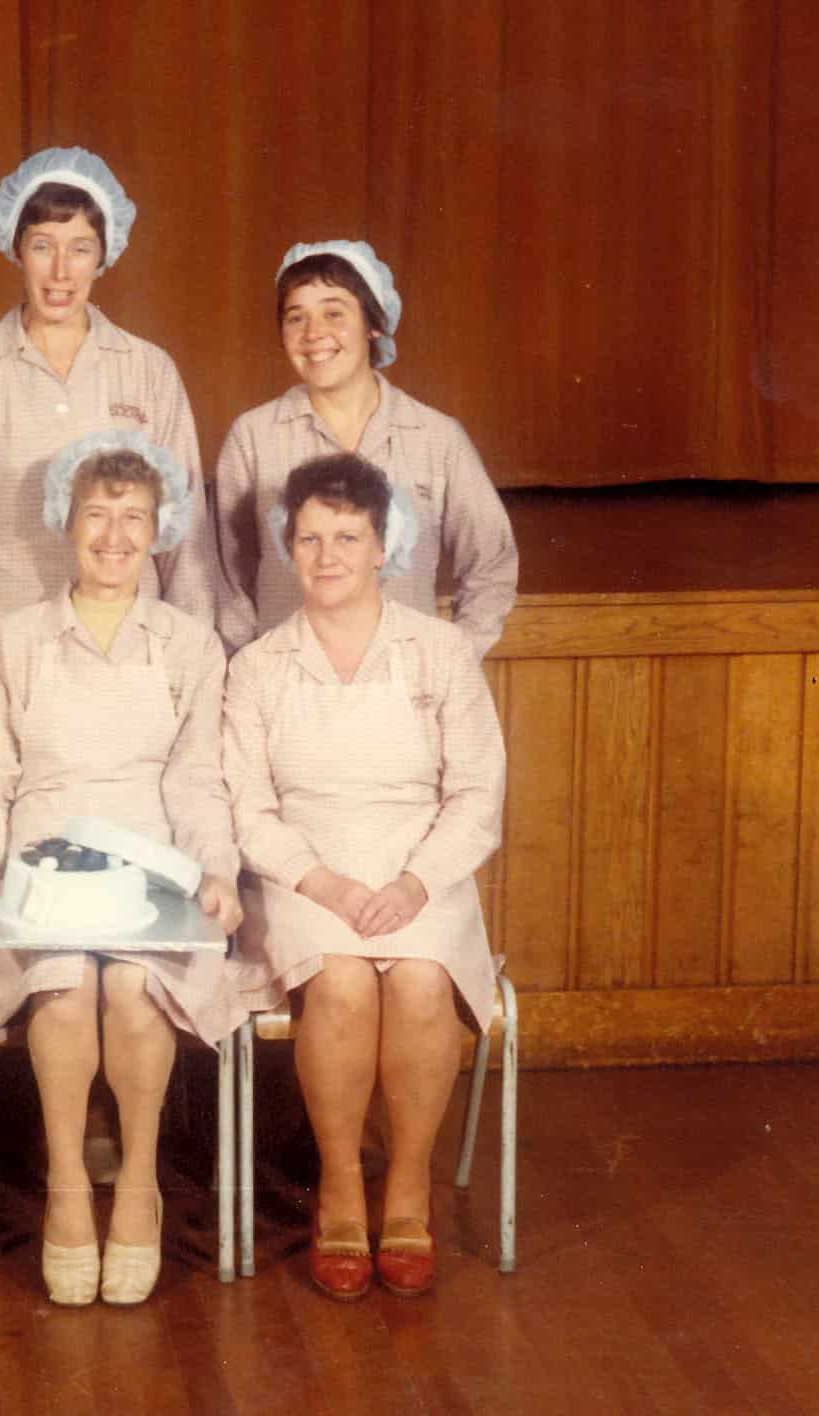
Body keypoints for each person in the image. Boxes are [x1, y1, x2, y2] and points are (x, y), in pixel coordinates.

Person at [0, 430, 244, 1306]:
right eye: (95, 516)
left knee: (131, 991)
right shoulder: (18, 639)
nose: (114, 536)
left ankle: (141, 1186)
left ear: (160, 531)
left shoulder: (190, 645)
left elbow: (197, 779)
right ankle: (71, 1191)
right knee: (69, 981)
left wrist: (216, 872)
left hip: (154, 869)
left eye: (135, 518)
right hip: (40, 867)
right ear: (64, 525)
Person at [223, 453, 505, 1301]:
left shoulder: (441, 651)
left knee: (420, 983)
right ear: (288, 547)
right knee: (342, 984)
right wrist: (328, 886)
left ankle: (408, 1185)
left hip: (423, 868)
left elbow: (478, 795)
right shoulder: (257, 667)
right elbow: (249, 811)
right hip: (307, 876)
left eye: (348, 536)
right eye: (309, 537)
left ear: (385, 545)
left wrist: (416, 883)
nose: (328, 554)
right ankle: (342, 1187)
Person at [0, 147, 220, 670]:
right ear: (16, 250)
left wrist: (190, 651)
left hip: (136, 645)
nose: (60, 271)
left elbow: (186, 532)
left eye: (80, 248)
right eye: (43, 246)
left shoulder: (149, 369)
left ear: (104, 255)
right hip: (11, 642)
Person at [213, 240, 516, 658]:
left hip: (405, 697)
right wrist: (255, 669)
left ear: (374, 323)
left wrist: (450, 662)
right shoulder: (253, 438)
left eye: (334, 313)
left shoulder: (437, 438)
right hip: (288, 699)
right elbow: (227, 581)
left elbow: (492, 565)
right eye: (295, 317)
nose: (313, 334)